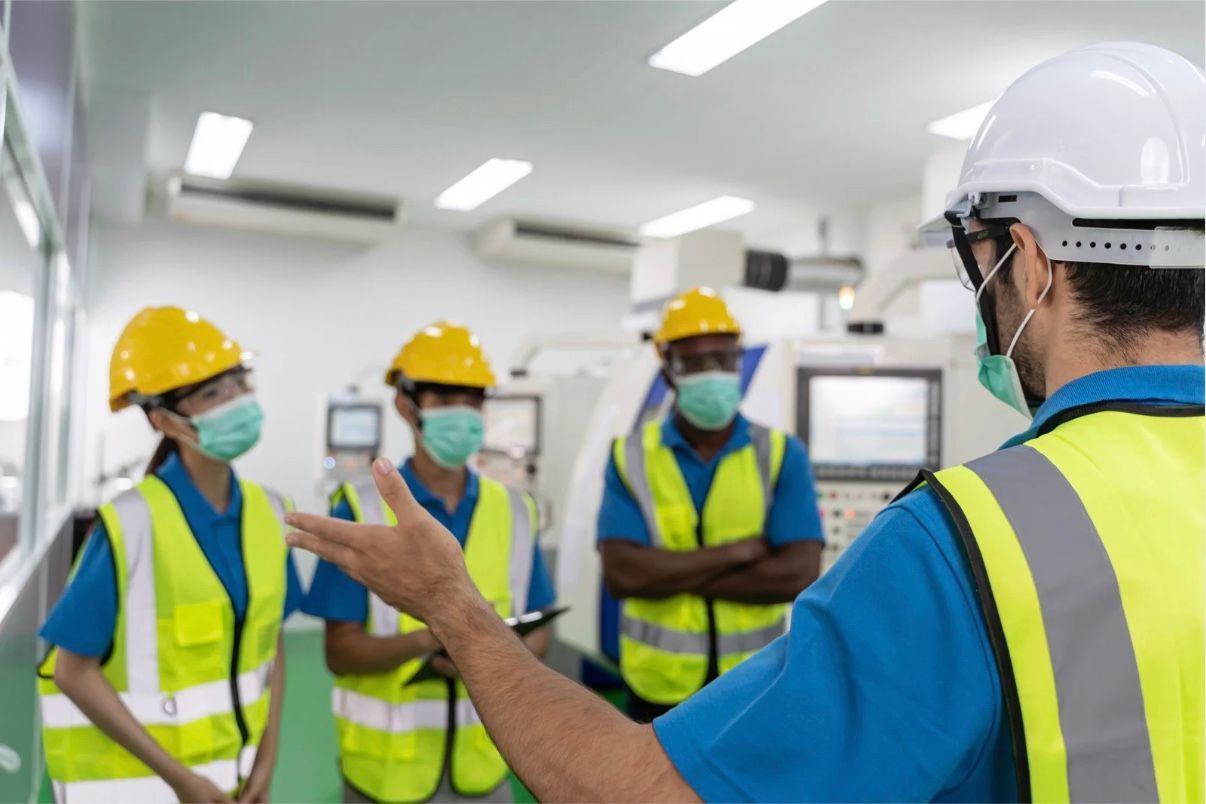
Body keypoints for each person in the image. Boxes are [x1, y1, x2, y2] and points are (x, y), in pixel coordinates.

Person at [284, 42, 1205, 802]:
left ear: (1028, 261)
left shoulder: (971, 541)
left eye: (979, 268)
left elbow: (643, 790)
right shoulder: (641, 456)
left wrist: (452, 606)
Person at [38, 306, 303, 803]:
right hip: (141, 789)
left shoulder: (272, 514)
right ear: (165, 420)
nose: (237, 402)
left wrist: (266, 761)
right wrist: (180, 779)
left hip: (233, 780)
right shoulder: (128, 523)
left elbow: (271, 646)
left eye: (240, 384)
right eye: (211, 393)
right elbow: (71, 671)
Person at [302, 321, 556, 804]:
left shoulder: (516, 511)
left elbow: (540, 634)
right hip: (386, 775)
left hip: (489, 760)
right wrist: (432, 639)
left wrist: (483, 646)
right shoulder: (360, 510)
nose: (462, 413)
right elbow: (341, 653)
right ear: (406, 404)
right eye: (444, 398)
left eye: (472, 398)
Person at [597, 287, 823, 721]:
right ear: (668, 371)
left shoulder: (780, 454)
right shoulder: (630, 456)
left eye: (723, 359)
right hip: (658, 686)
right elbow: (623, 574)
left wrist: (668, 573)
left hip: (756, 682)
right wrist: (734, 554)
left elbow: (797, 573)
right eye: (695, 363)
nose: (712, 373)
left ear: (738, 362)